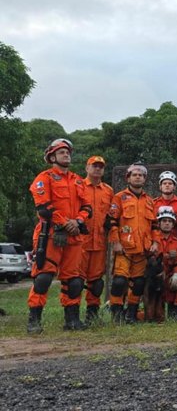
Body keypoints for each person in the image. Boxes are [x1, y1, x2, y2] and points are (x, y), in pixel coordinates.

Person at [27, 139, 93, 333]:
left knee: (74, 281)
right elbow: (44, 208)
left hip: (74, 236)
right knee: (43, 278)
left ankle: (72, 320)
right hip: (50, 234)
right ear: (52, 157)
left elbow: (87, 207)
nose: (66, 155)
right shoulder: (43, 178)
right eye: (62, 152)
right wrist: (65, 223)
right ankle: (34, 320)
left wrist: (78, 222)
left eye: (68, 152)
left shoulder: (77, 180)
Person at [107, 163, 158, 324]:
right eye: (134, 174)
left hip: (142, 249)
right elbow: (112, 221)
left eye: (141, 175)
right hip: (124, 248)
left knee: (138, 283)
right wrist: (115, 242)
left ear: (145, 179)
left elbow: (154, 225)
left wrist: (155, 242)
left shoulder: (149, 200)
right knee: (119, 281)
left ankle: (131, 314)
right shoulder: (119, 197)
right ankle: (116, 314)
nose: (138, 177)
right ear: (128, 177)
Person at [80, 155, 114, 325]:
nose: (98, 169)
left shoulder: (108, 190)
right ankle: (70, 316)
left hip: (99, 242)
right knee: (74, 281)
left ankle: (92, 315)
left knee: (96, 282)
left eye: (101, 166)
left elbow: (112, 215)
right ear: (87, 168)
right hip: (79, 242)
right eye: (94, 166)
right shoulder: (77, 186)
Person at [154, 171, 177, 242]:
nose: (167, 185)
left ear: (174, 187)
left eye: (170, 183)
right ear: (160, 187)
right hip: (158, 241)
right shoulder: (153, 203)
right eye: (164, 183)